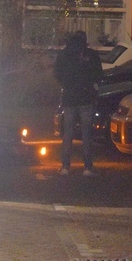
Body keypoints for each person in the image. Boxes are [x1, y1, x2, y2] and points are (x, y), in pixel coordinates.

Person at [53, 30, 103, 176]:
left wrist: (66, 85)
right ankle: (87, 167)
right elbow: (98, 74)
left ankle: (65, 166)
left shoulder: (64, 55)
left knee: (68, 132)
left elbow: (57, 73)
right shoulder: (90, 55)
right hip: (86, 98)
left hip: (69, 98)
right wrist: (92, 87)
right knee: (86, 133)